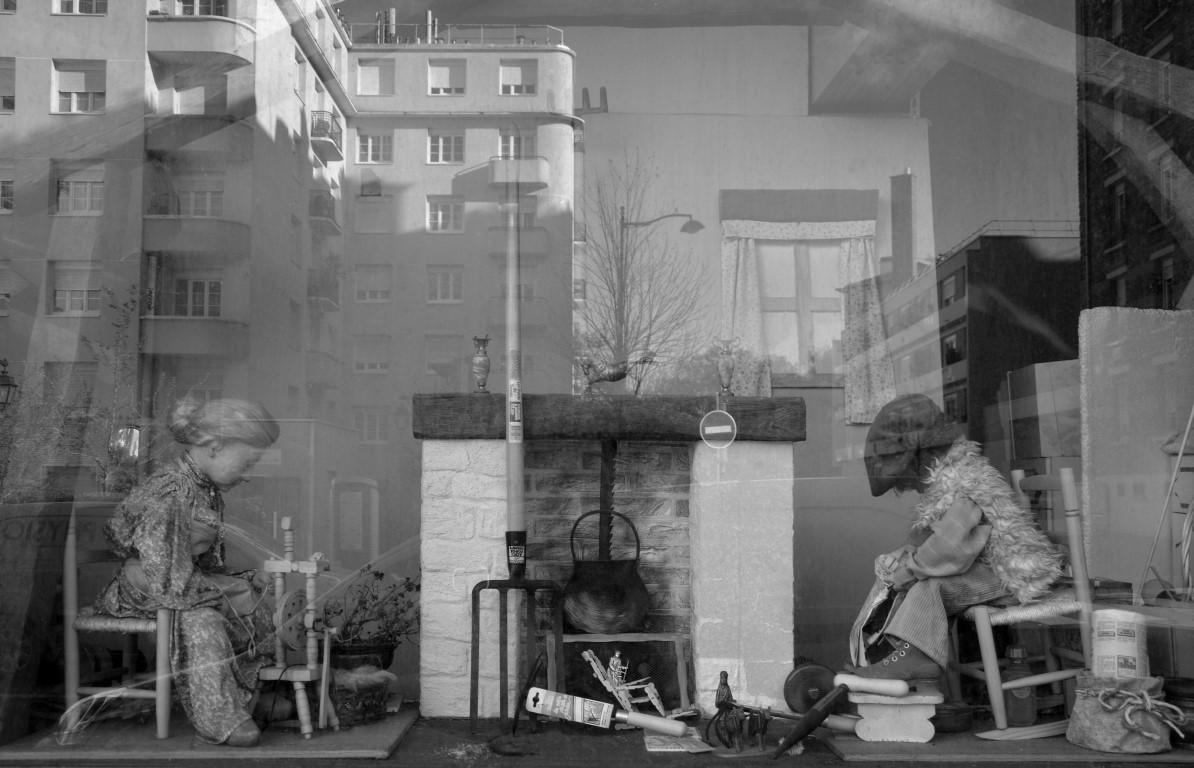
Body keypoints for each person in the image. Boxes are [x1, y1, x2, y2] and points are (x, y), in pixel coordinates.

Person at [95, 398, 280, 747]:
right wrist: (218, 594)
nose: (248, 474)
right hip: (148, 583)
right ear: (216, 446)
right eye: (247, 463)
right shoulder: (171, 491)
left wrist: (242, 582)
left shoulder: (206, 491)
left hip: (182, 578)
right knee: (203, 621)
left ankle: (257, 697)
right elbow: (163, 570)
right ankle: (220, 717)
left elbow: (206, 565)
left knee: (253, 607)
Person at [848, 394, 1061, 681]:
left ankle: (918, 657)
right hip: (987, 568)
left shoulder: (965, 484)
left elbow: (951, 549)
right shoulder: (951, 478)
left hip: (1009, 576)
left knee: (930, 586)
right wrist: (905, 558)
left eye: (907, 480)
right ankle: (890, 649)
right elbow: (935, 537)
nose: (912, 488)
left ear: (921, 460)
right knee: (916, 578)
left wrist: (909, 571)